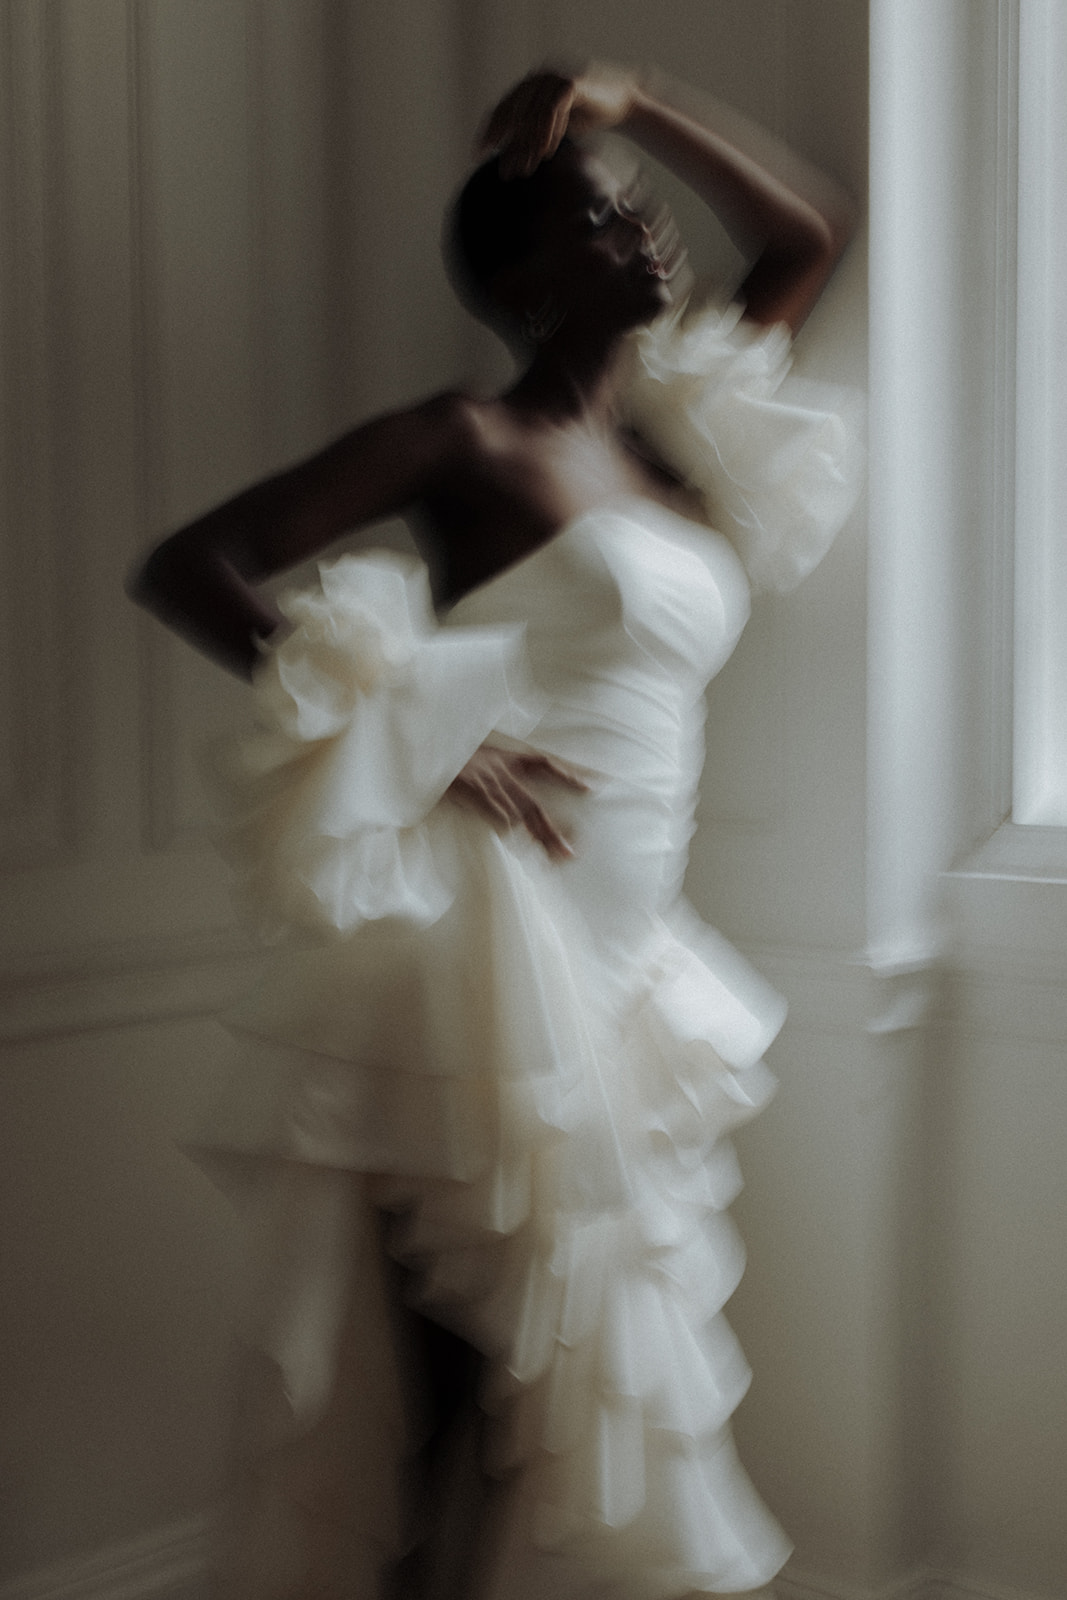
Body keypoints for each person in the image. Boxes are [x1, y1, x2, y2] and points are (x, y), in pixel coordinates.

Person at [131, 61, 859, 1600]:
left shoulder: (676, 453)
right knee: (453, 1387)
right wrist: (422, 736)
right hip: (481, 950)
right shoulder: (465, 440)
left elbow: (807, 236)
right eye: (604, 225)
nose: (648, 238)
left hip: (627, 949)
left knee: (561, 1393)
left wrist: (626, 100)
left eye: (642, 218)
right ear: (526, 280)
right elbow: (198, 565)